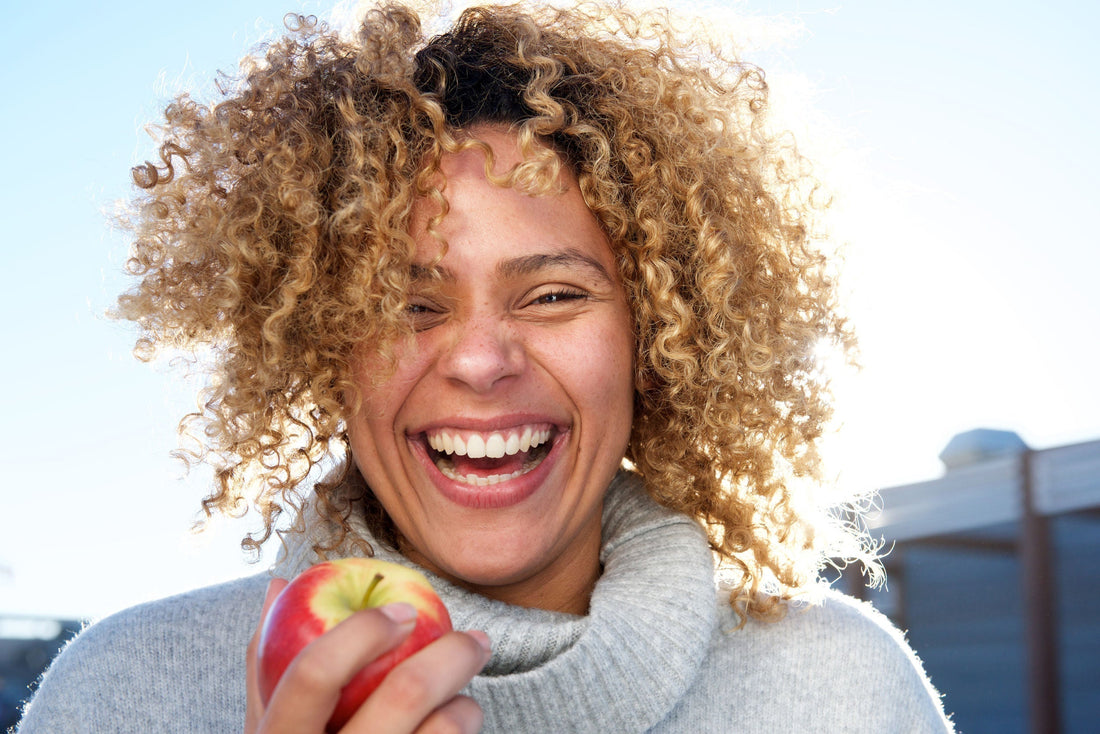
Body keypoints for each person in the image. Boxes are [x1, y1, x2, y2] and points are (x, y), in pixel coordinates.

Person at [17, 2, 954, 732]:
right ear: (319, 343)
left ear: (662, 337)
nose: (478, 359)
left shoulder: (839, 689)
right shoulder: (125, 691)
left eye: (552, 295)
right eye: (407, 305)